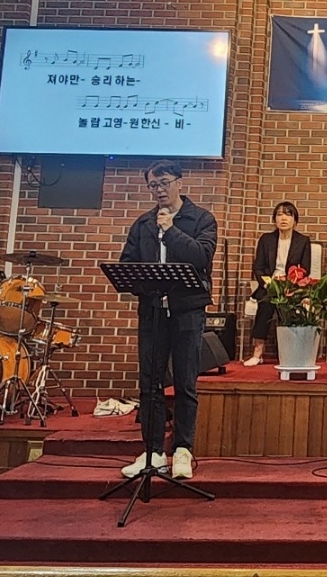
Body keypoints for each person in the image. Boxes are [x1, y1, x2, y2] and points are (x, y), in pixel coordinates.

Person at [117, 160, 217, 480]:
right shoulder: (143, 224)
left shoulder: (201, 219)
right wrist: (143, 283)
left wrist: (171, 231)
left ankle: (183, 449)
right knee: (150, 384)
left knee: (185, 382)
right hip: (152, 312)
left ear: (179, 183)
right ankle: (154, 452)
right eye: (153, 185)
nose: (159, 190)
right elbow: (127, 264)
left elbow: (201, 256)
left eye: (164, 183)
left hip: (187, 311)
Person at [245, 201, 312, 366]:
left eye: (288, 215)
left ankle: (292, 352)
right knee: (266, 303)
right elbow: (258, 267)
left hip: (292, 286)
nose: (283, 218)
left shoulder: (303, 241)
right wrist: (267, 283)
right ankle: (258, 352)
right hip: (269, 285)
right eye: (279, 214)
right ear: (274, 219)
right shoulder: (266, 239)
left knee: (291, 306)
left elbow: (305, 269)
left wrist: (290, 284)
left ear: (295, 220)